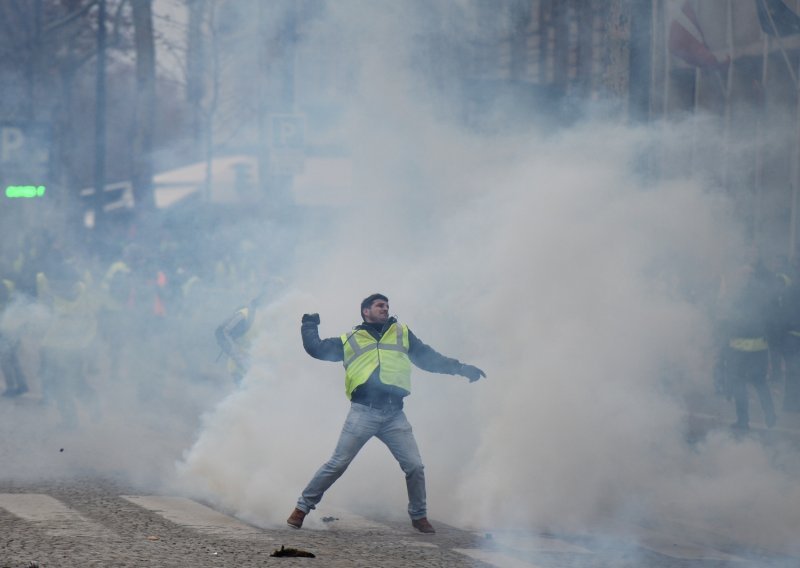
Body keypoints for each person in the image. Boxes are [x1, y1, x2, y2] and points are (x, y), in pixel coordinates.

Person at [286, 293, 486, 534]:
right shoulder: (350, 339)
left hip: (394, 416)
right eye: (380, 305)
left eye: (387, 306)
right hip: (363, 413)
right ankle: (301, 508)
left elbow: (429, 359)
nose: (385, 309)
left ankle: (419, 516)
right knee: (337, 464)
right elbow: (316, 349)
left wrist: (461, 368)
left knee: (415, 466)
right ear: (365, 311)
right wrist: (309, 325)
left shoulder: (402, 333)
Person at [717, 256, 779, 431]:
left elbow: (729, 319)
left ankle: (743, 422)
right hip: (759, 347)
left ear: (744, 277)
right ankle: (770, 416)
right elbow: (771, 317)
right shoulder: (763, 293)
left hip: (738, 348)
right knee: (760, 383)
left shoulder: (737, 294)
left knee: (739, 385)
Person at [214, 288, 266, 384]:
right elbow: (221, 333)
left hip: (263, 373)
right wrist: (241, 360)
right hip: (242, 372)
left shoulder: (274, 316)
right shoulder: (246, 314)